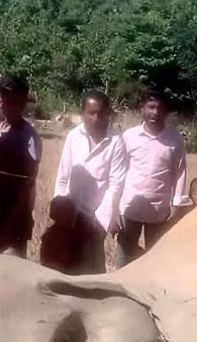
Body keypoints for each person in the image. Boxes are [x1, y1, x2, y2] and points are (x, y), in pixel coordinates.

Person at [52, 89, 127, 274]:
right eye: (91, 113)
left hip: (97, 216)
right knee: (66, 264)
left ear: (108, 114)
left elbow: (115, 184)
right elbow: (63, 175)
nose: (96, 118)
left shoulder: (116, 142)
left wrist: (100, 219)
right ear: (83, 113)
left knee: (92, 266)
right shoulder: (74, 136)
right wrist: (60, 206)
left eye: (101, 113)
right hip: (70, 212)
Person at [117, 89, 187, 268]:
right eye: (151, 107)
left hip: (159, 210)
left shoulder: (174, 139)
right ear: (142, 108)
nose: (155, 112)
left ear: (166, 111)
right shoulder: (129, 136)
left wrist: (177, 204)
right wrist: (115, 204)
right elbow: (119, 171)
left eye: (160, 108)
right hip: (130, 207)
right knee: (124, 256)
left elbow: (180, 172)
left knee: (155, 259)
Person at [0, 73, 40, 258]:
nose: (12, 107)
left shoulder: (28, 135)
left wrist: (23, 213)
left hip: (15, 212)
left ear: (23, 104)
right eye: (6, 101)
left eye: (17, 103)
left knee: (11, 260)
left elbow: (30, 178)